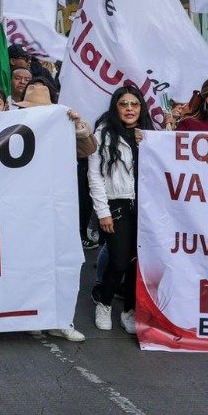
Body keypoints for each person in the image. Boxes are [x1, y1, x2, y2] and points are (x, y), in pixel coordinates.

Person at [89, 85, 153, 335]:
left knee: (138, 262)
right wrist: (102, 211)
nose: (129, 109)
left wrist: (148, 142)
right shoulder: (103, 133)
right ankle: (104, 304)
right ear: (115, 107)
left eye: (134, 104)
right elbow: (95, 176)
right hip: (117, 204)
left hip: (146, 207)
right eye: (124, 104)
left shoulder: (148, 133)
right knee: (118, 260)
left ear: (141, 108)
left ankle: (129, 310)